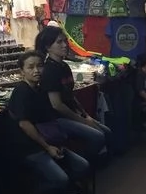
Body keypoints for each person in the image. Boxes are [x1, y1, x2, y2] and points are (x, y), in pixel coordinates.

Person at [7, 50, 91, 194]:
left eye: (39, 66)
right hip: (29, 148)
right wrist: (47, 147)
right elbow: (24, 124)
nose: (36, 70)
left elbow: (49, 121)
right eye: (30, 67)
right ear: (22, 71)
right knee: (60, 179)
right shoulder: (21, 92)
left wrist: (57, 143)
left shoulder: (40, 90)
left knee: (82, 166)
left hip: (48, 143)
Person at [34, 25, 110, 163]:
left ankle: (84, 161)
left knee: (106, 132)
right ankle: (81, 164)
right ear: (48, 47)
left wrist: (86, 115)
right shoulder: (49, 70)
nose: (64, 45)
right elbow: (57, 105)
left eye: (65, 41)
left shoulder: (64, 66)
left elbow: (71, 95)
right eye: (59, 42)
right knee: (98, 136)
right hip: (57, 119)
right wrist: (82, 120)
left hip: (72, 114)